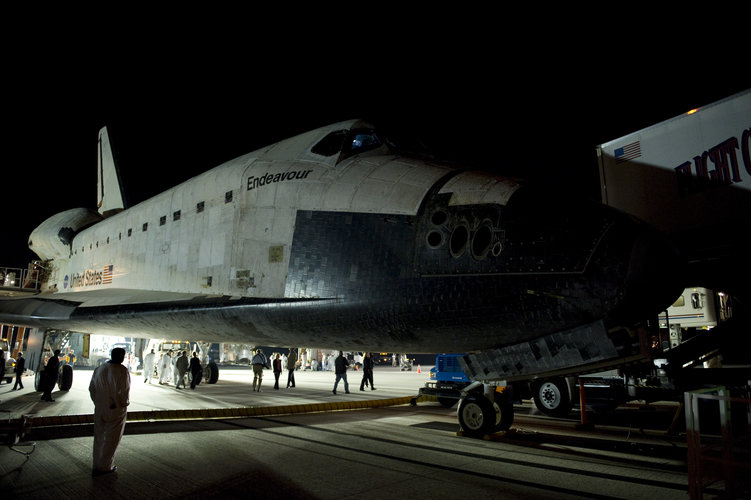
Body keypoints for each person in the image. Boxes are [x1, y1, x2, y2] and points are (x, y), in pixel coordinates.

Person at [89, 347, 130, 476]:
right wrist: (123, 404)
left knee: (99, 436)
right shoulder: (122, 371)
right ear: (121, 357)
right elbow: (124, 390)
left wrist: (98, 402)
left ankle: (97, 464)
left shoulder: (99, 369)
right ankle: (105, 466)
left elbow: (92, 388)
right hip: (115, 409)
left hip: (100, 408)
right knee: (112, 439)